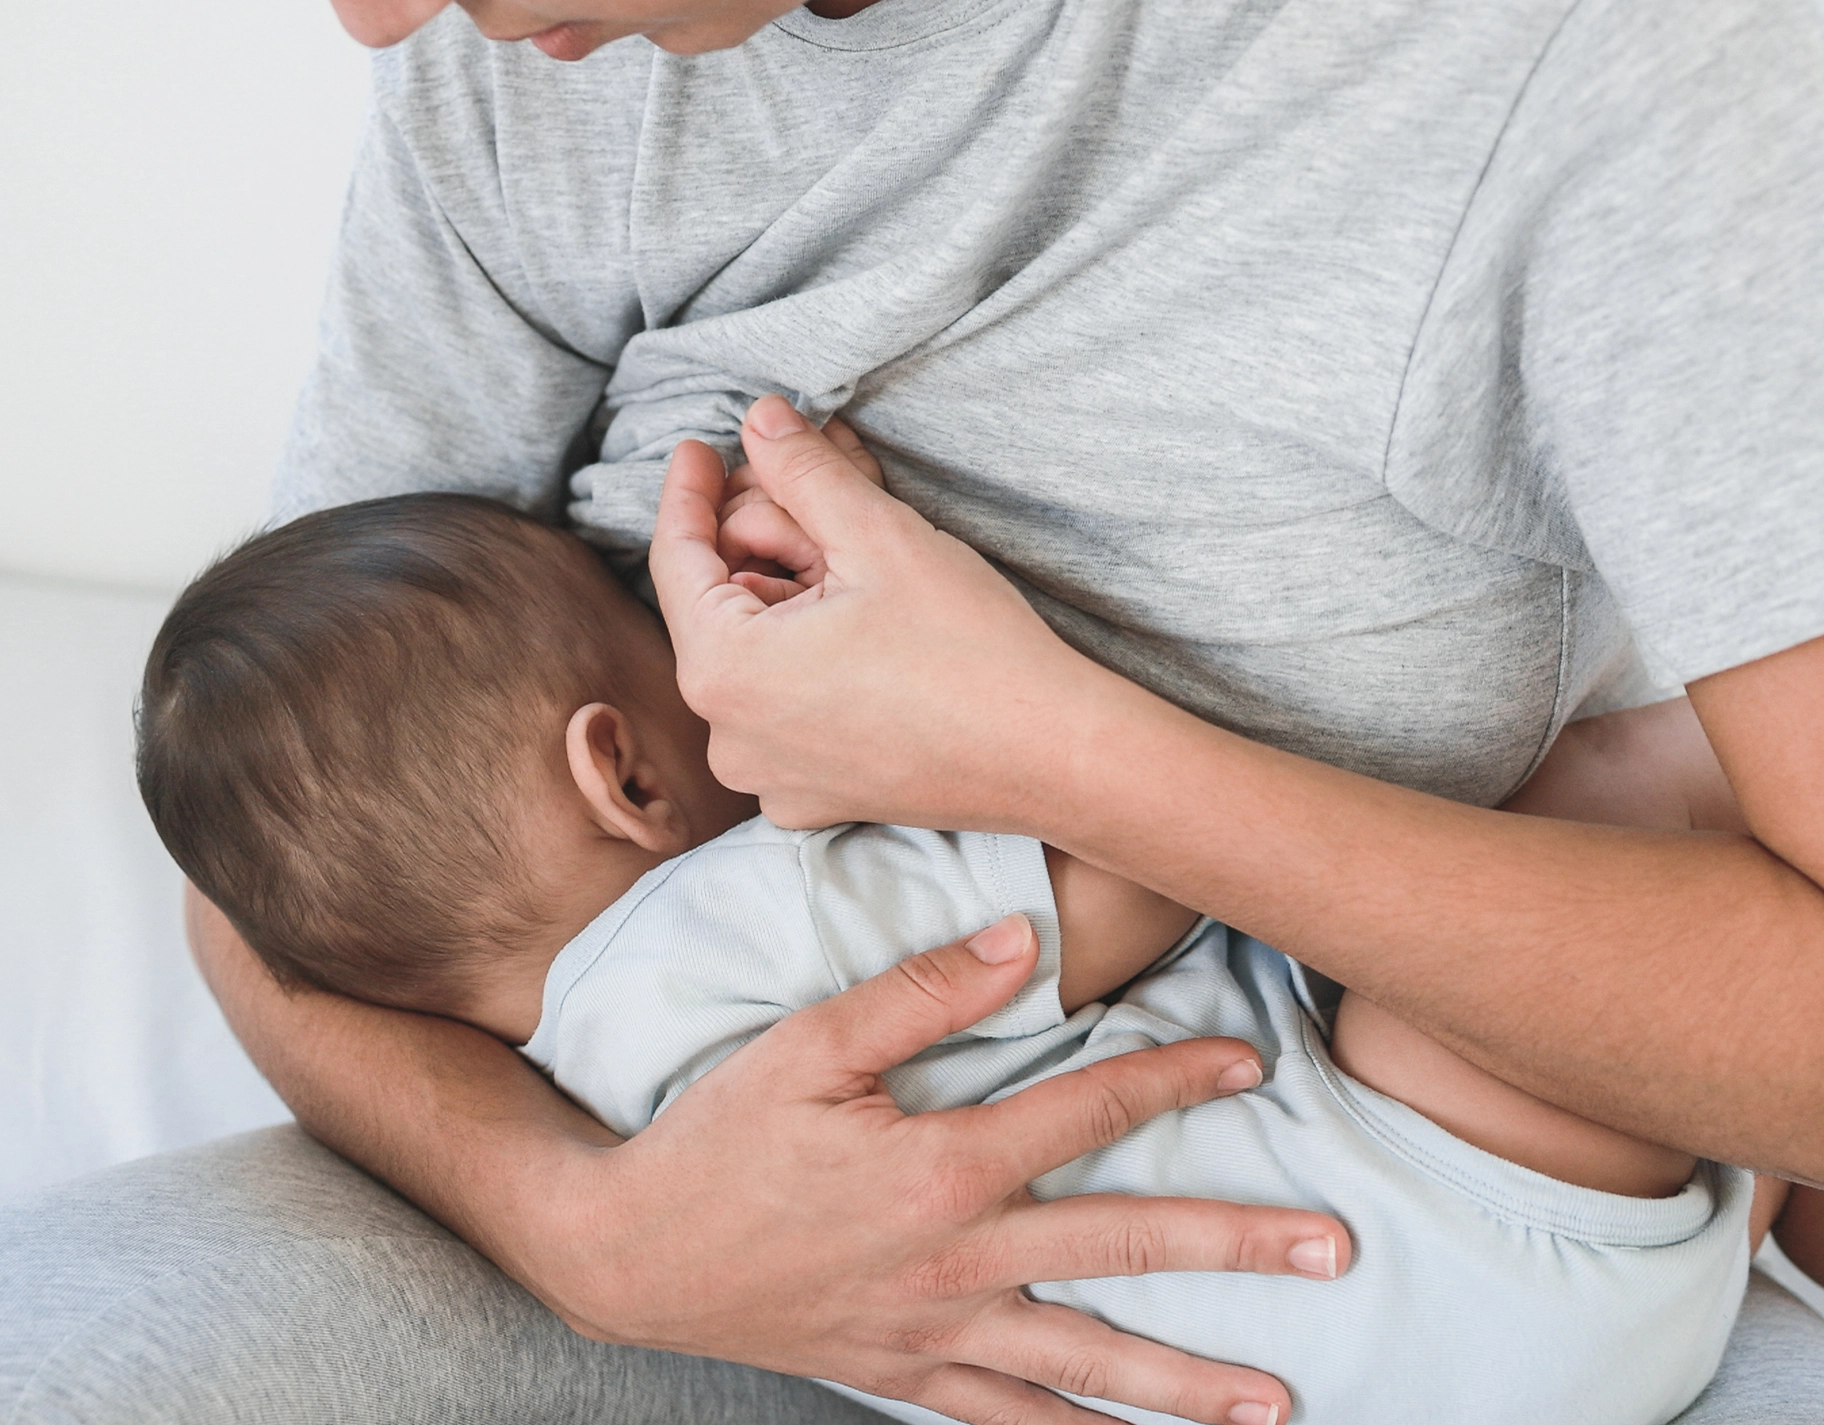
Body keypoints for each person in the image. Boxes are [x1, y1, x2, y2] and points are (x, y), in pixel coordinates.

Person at [3, 0, 1822, 1421]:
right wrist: (592, 1232)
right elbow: (268, 853)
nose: (376, 26)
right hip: (740, 1268)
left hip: (1324, 1236)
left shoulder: (1600, 64)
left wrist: (1049, 748)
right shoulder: (529, 64)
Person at [131, 488, 1811, 1422]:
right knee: (1601, 796)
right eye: (666, 641)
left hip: (1373, 1367)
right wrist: (945, 689)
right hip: (1436, 1221)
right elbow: (1129, 881)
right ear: (624, 775)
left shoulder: (574, 1071)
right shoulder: (746, 918)